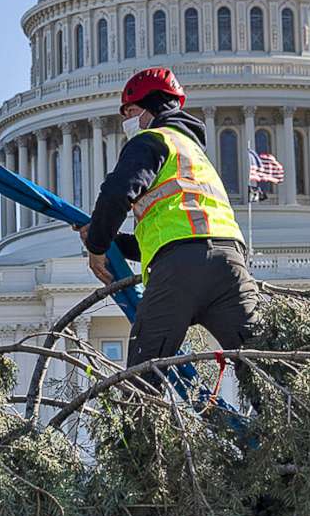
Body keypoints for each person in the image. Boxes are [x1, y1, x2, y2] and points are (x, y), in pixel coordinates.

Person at [84, 68, 259, 372]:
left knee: (144, 378)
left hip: (179, 271)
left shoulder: (150, 141)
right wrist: (113, 240)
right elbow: (173, 229)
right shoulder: (195, 155)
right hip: (231, 267)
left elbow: (116, 193)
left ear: (148, 108)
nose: (126, 120)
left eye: (130, 110)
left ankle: (143, 417)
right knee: (263, 368)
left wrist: (97, 247)